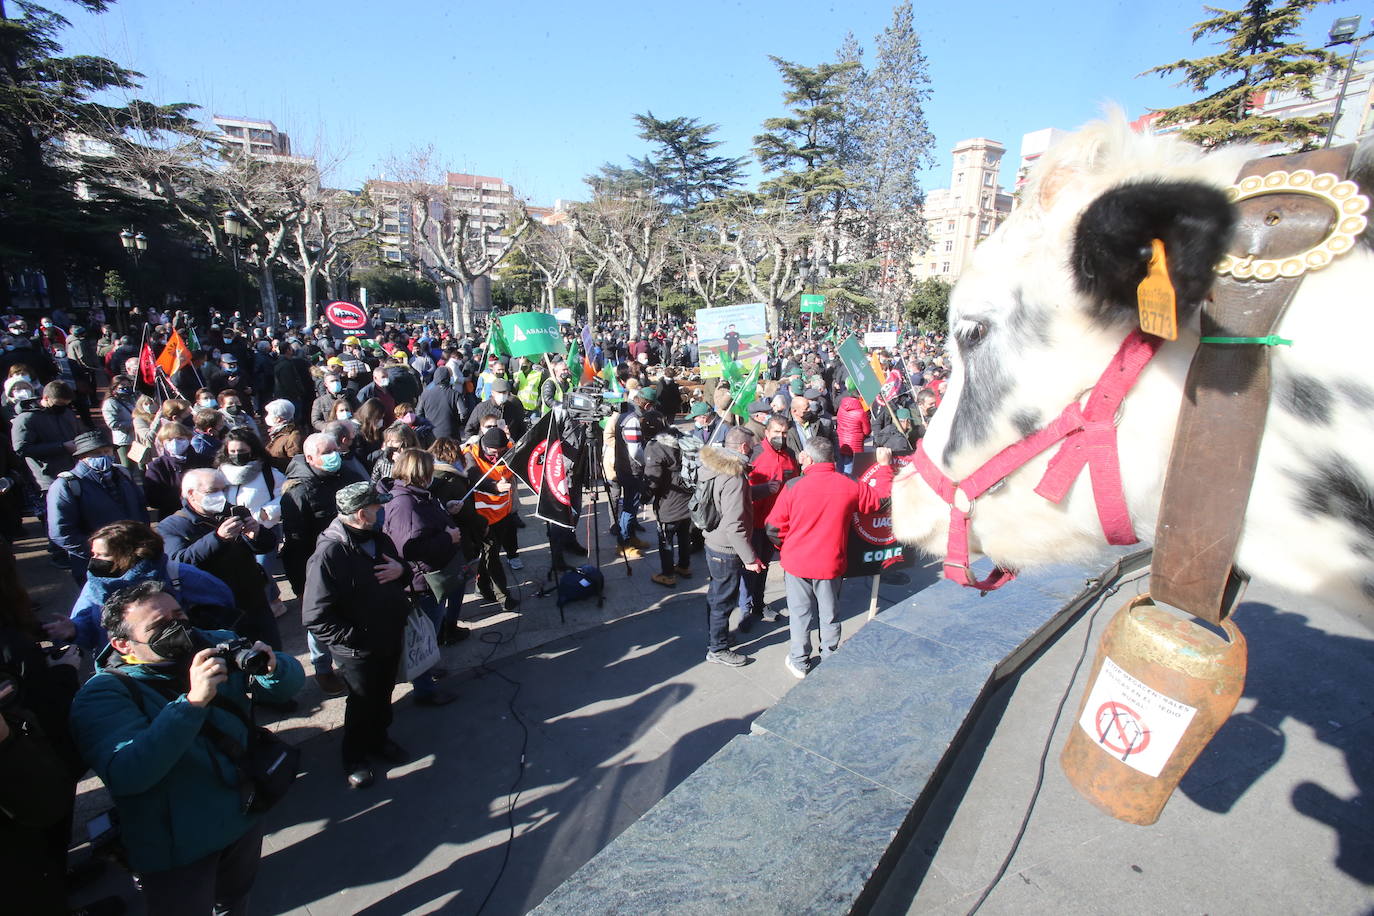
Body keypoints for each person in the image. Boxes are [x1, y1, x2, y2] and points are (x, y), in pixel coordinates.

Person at [68, 580, 303, 914]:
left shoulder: (214, 642)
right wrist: (192, 704)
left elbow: (286, 688)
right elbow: (128, 773)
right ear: (122, 644)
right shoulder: (103, 695)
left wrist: (274, 667)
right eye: (160, 625)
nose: (177, 627)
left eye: (179, 615)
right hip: (179, 845)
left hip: (242, 813)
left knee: (236, 899)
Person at [301, 482, 412, 789]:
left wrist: (401, 571)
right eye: (378, 508)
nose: (383, 512)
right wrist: (356, 637)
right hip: (359, 649)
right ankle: (354, 756)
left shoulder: (378, 537)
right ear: (362, 514)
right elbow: (315, 616)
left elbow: (399, 568)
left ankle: (380, 739)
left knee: (383, 693)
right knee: (362, 702)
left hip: (389, 634)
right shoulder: (330, 553)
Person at [766, 439, 893, 679]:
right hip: (830, 562)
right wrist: (885, 467)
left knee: (800, 613)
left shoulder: (793, 486)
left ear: (811, 460)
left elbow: (773, 526)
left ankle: (799, 661)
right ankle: (829, 657)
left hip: (796, 562)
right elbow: (881, 501)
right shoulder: (849, 484)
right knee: (829, 613)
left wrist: (786, 546)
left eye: (804, 456)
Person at [0, 582, 89, 915]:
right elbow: (41, 710)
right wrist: (65, 672)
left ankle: (60, 880)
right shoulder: (10, 643)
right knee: (45, 832)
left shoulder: (14, 632)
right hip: (33, 752)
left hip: (28, 747)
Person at [50, 519, 236, 652]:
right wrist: (74, 630)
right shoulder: (96, 585)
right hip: (121, 670)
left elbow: (224, 605)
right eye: (94, 554)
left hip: (180, 664)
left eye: (102, 555)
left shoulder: (180, 575)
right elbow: (89, 628)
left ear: (129, 554)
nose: (94, 560)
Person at [159, 469, 283, 653]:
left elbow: (265, 546)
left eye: (222, 489)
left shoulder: (232, 511)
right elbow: (178, 563)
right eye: (212, 491)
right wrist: (218, 538)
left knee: (274, 654)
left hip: (255, 600)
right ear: (192, 494)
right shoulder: (172, 526)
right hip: (216, 612)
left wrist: (256, 533)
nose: (220, 495)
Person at [280, 433, 364, 696]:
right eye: (326, 452)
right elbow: (294, 544)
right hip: (318, 568)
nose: (333, 456)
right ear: (310, 458)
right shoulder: (299, 491)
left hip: (355, 559)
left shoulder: (349, 475)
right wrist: (300, 585)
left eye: (334, 450)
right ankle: (323, 668)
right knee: (321, 621)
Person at [380, 448, 462, 704]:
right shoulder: (405, 503)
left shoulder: (416, 495)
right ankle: (425, 690)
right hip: (420, 582)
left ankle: (428, 670)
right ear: (420, 473)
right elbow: (410, 548)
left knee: (430, 633)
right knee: (424, 634)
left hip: (428, 578)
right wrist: (448, 537)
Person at [697, 427, 765, 667]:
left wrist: (765, 489)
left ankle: (718, 637)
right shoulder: (735, 475)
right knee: (723, 600)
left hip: (713, 541)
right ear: (744, 447)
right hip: (726, 549)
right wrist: (750, 558)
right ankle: (717, 648)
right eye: (754, 446)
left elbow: (728, 500)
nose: (755, 450)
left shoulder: (717, 465)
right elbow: (735, 524)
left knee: (716, 595)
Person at [47, 430, 148, 584]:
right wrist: (102, 552)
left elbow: (140, 509)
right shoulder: (66, 485)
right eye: (96, 453)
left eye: (106, 451)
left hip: (134, 556)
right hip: (97, 562)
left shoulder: (123, 474)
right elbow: (61, 532)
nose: (104, 456)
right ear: (81, 457)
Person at [740, 414, 800, 629]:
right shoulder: (753, 454)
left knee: (764, 566)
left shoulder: (790, 454)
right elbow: (740, 489)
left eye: (784, 433)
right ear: (767, 432)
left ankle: (758, 604)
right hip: (754, 522)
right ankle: (745, 610)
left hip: (778, 524)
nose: (781, 437)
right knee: (750, 567)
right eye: (776, 432)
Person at [463, 427, 522, 603]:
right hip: (482, 518)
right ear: (484, 445)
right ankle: (504, 598)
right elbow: (472, 476)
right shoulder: (470, 453)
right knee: (492, 557)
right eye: (492, 452)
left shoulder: (510, 447)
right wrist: (495, 487)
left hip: (503, 513)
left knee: (489, 555)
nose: (496, 457)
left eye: (500, 452)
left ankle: (482, 588)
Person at [611, 385, 663, 558]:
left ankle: (631, 537)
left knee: (631, 505)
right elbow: (635, 451)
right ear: (647, 405)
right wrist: (646, 464)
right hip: (631, 470)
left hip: (623, 466)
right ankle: (623, 543)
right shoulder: (633, 419)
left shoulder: (625, 413)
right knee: (630, 507)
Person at [642, 424, 692, 588]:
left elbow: (653, 479)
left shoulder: (656, 447)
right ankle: (684, 566)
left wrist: (645, 496)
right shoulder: (685, 440)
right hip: (688, 498)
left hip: (669, 502)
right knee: (684, 535)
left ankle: (668, 574)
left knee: (666, 539)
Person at [464, 377, 527, 442]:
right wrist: (475, 446)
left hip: (508, 447)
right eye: (499, 392)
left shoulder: (514, 407)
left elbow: (521, 428)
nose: (502, 395)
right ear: (492, 393)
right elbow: (469, 429)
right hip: (486, 448)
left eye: (504, 392)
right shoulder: (481, 408)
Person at [417, 364, 466, 439]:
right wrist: (457, 423)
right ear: (448, 378)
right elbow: (463, 413)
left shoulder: (425, 394)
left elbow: (419, 414)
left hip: (431, 435)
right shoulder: (455, 394)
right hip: (451, 433)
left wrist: (426, 425)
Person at [102, 374, 139, 471]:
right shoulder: (110, 403)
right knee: (127, 467)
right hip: (124, 441)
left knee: (141, 465)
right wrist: (134, 424)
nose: (126, 388)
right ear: (114, 387)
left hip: (138, 438)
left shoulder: (133, 398)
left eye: (128, 385)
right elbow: (112, 424)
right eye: (122, 386)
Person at [263, 398, 305, 473]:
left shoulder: (293, 436)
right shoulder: (275, 432)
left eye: (269, 414)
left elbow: (295, 464)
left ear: (278, 419)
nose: (267, 416)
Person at [835, 387, 871, 475]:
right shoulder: (861, 412)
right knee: (849, 468)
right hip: (854, 445)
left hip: (841, 441)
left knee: (841, 465)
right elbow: (866, 431)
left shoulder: (841, 407)